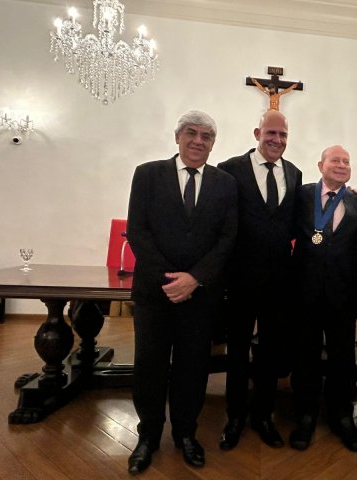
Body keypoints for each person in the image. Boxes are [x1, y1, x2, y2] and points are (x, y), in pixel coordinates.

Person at [126, 110, 238, 474]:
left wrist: (195, 278)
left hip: (201, 296)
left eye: (206, 136)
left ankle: (186, 433)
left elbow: (227, 238)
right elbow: (138, 230)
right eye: (191, 133)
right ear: (177, 137)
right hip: (154, 293)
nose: (198, 141)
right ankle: (148, 436)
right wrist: (169, 280)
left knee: (193, 366)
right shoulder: (147, 174)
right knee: (150, 365)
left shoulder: (225, 183)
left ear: (213, 143)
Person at [217, 110, 302, 450]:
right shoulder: (229, 169)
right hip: (239, 278)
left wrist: (346, 198)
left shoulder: (294, 173)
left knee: (269, 351)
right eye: (271, 133)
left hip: (279, 281)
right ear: (257, 133)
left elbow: (298, 222)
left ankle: (263, 416)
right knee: (237, 351)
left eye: (283, 135)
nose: (277, 140)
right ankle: (235, 417)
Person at [289, 145, 357, 452]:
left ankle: (342, 415)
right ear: (320, 165)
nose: (342, 165)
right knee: (305, 356)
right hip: (304, 294)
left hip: (342, 297)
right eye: (335, 160)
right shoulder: (301, 196)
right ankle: (305, 415)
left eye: (346, 161)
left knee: (342, 358)